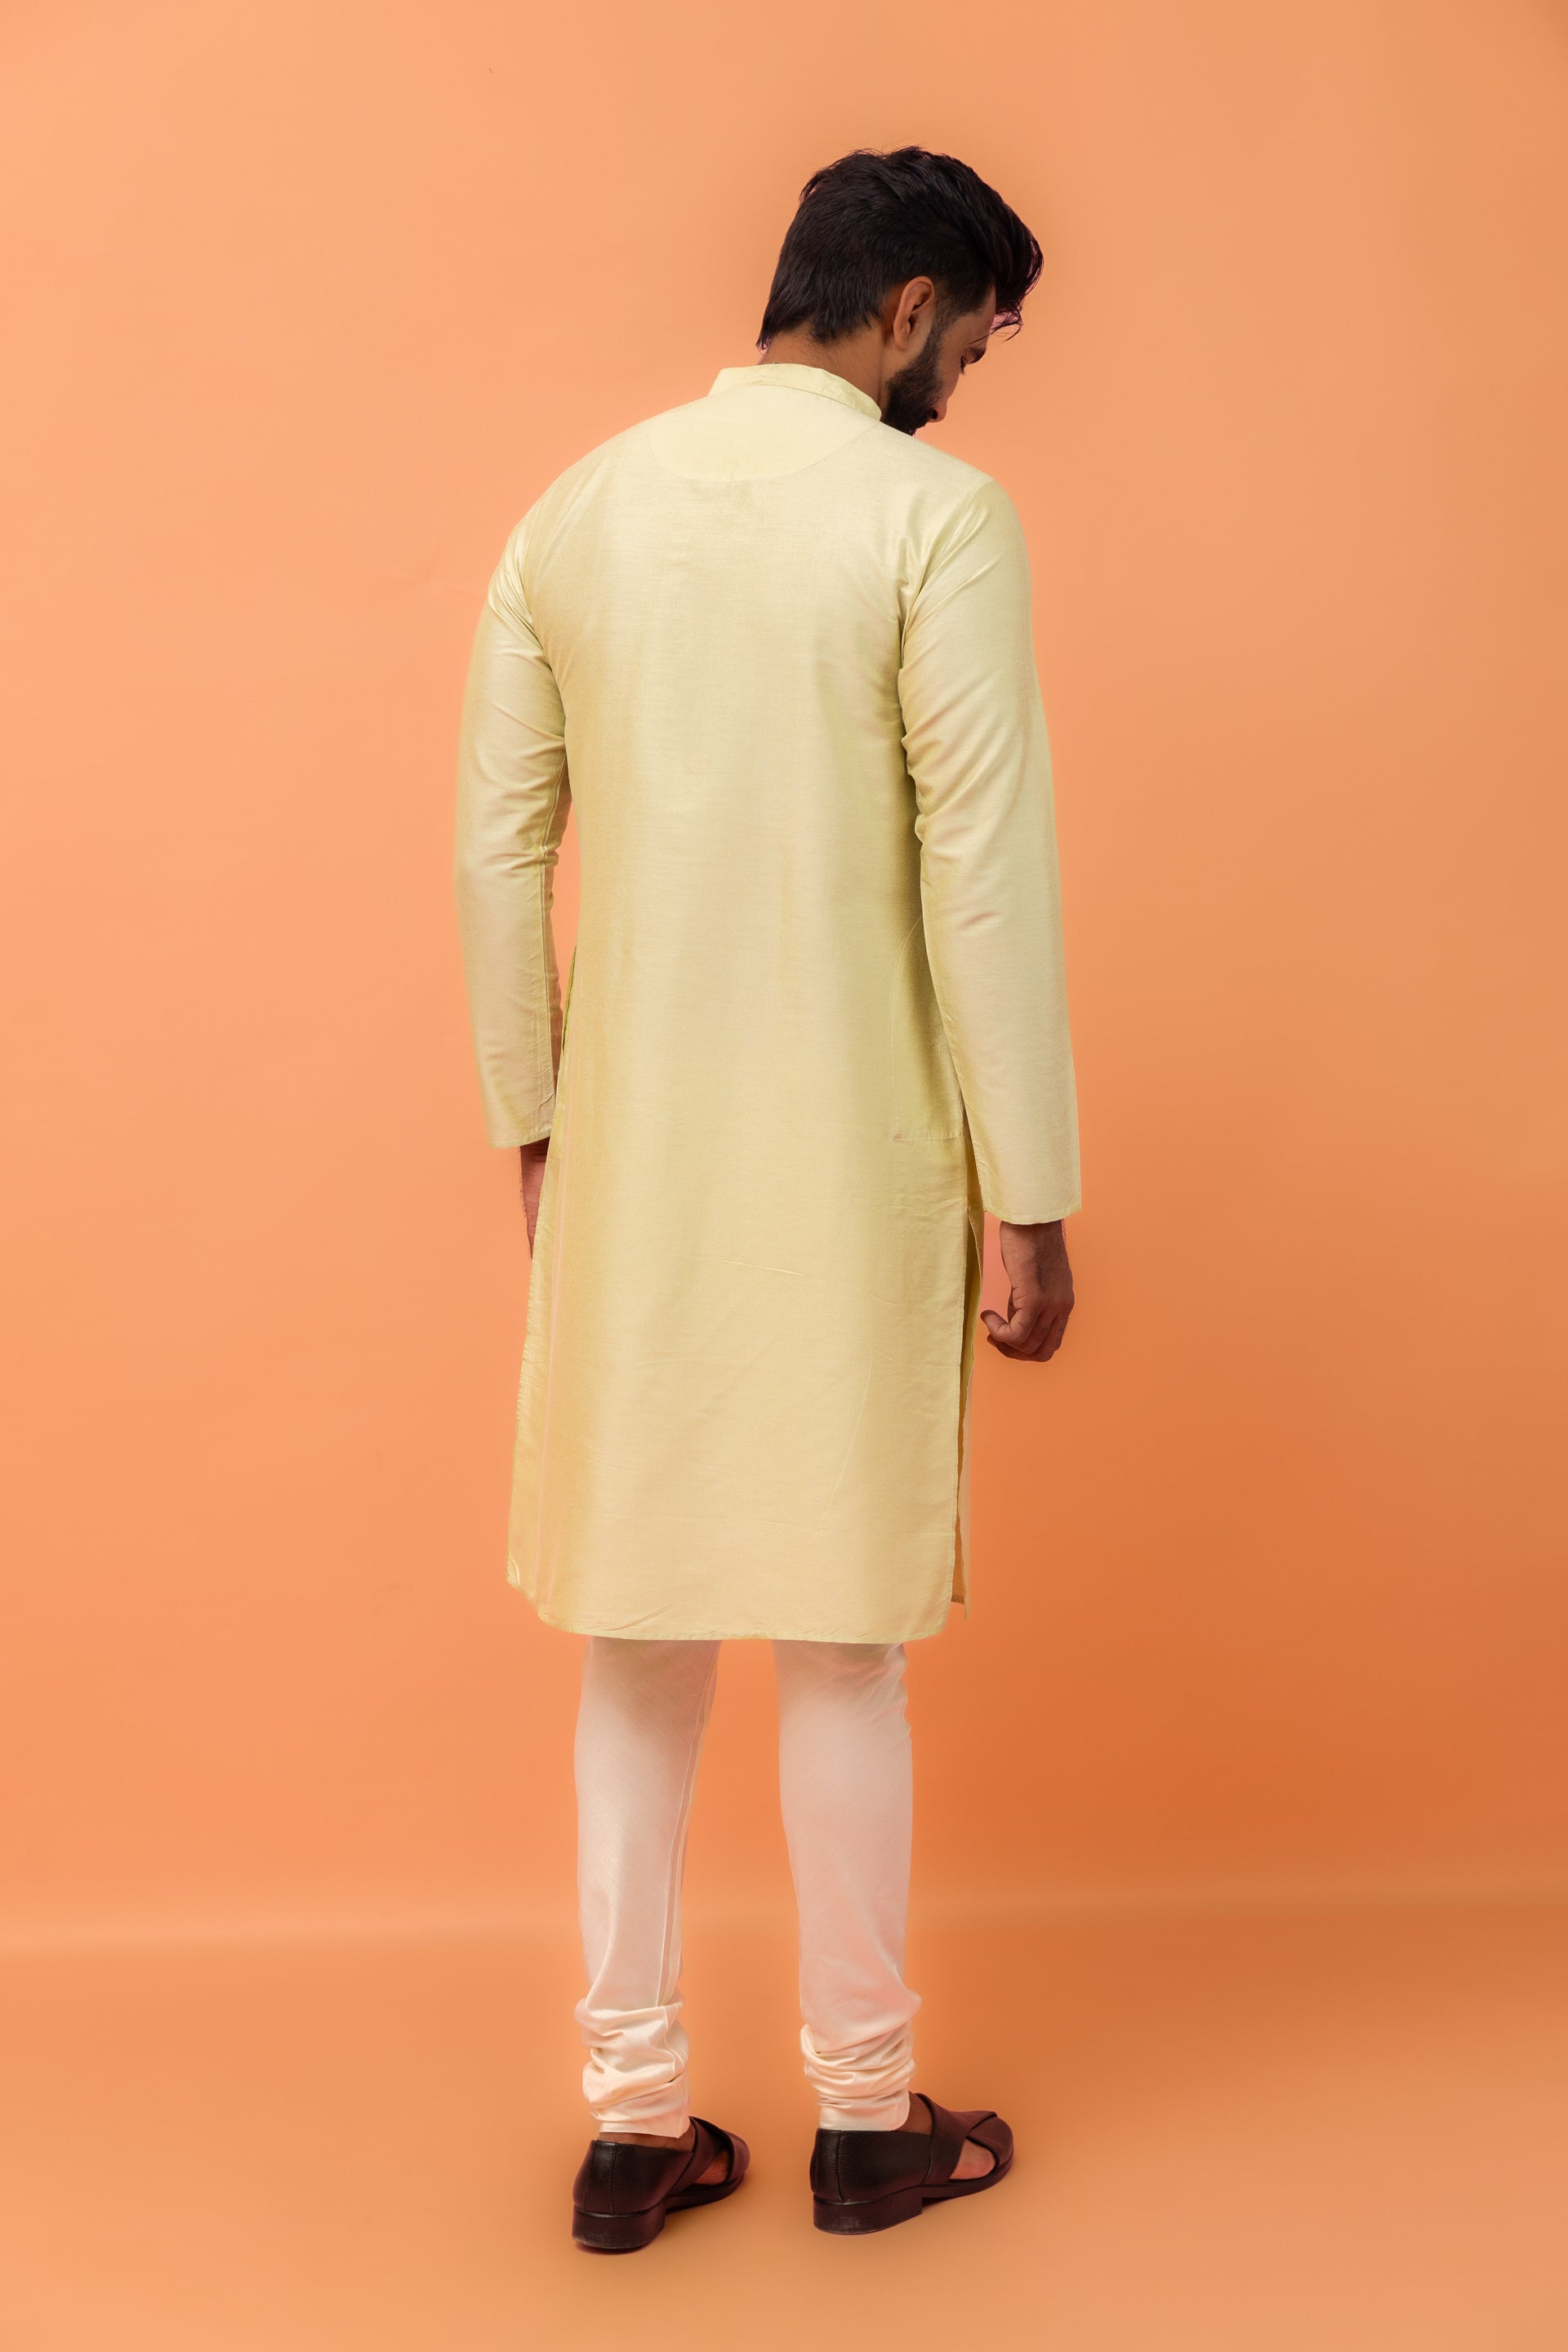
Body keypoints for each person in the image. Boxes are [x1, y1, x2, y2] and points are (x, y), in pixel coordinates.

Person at [453, 145, 1080, 2251]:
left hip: (632, 1158)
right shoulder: (930, 518)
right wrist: (1030, 1194)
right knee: (843, 1652)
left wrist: (537, 1124)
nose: (965, 379)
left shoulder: (578, 511)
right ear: (906, 309)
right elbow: (983, 868)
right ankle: (869, 2120)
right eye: (973, 338)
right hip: (856, 1153)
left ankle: (633, 2128)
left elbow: (495, 851)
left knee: (636, 1650)